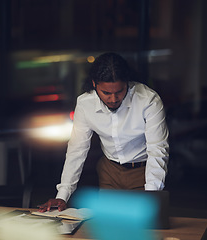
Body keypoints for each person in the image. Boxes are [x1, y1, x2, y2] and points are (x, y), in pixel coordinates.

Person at [38, 52, 169, 212]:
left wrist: (151, 197)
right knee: (109, 228)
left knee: (142, 229)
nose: (113, 99)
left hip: (142, 172)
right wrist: (62, 195)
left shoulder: (148, 100)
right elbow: (76, 150)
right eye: (106, 93)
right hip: (109, 172)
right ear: (94, 84)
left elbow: (158, 150)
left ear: (127, 83)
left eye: (119, 91)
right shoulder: (85, 104)